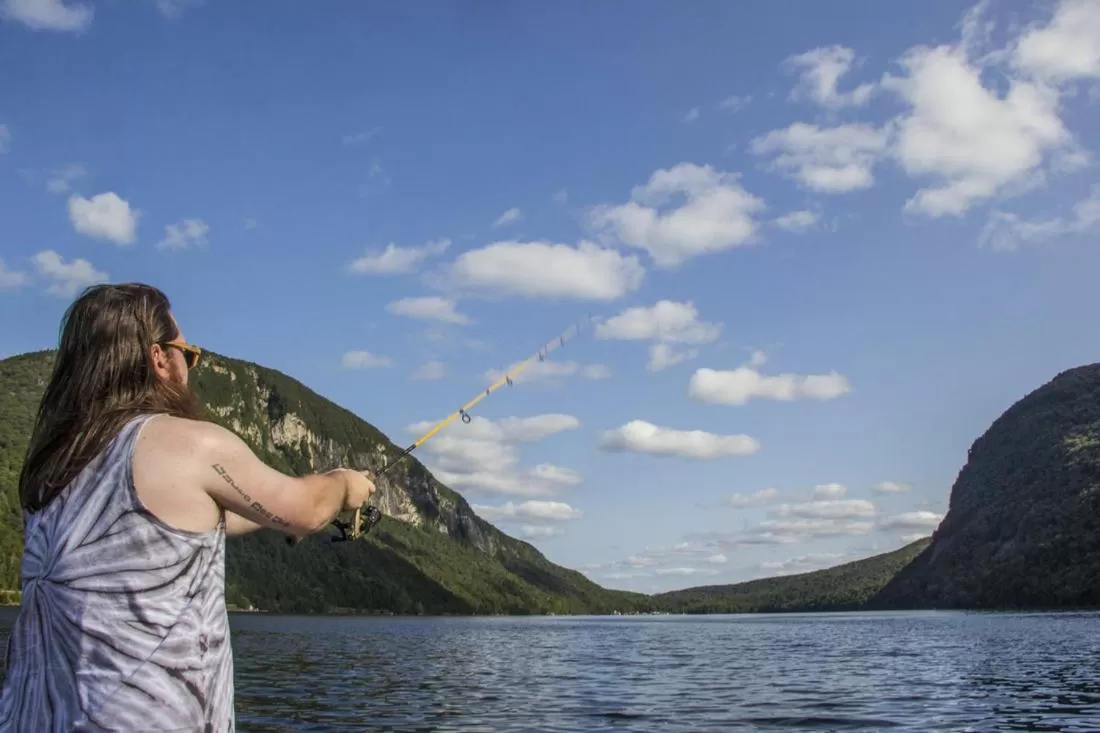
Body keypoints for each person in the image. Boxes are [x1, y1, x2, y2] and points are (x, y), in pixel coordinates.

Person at [0, 283, 376, 732]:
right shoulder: (187, 442)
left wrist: (266, 518)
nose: (189, 367)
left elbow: (172, 521)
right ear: (159, 358)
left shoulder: (52, 466)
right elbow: (307, 508)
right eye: (188, 354)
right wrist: (343, 484)